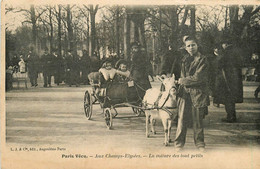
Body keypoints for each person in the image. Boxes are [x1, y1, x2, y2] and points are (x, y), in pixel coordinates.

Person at [174, 36, 210, 152]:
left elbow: (198, 78)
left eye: (193, 45)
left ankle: (200, 144)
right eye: (188, 46)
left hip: (198, 94)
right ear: (185, 48)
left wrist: (182, 81)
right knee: (181, 119)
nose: (191, 47)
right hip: (184, 93)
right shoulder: (184, 59)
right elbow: (183, 75)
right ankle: (179, 144)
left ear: (197, 45)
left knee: (197, 120)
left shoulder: (203, 59)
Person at [213, 39, 243, 123]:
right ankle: (231, 116)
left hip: (227, 80)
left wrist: (217, 55)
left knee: (228, 99)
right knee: (231, 99)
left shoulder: (226, 52)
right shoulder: (235, 51)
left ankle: (231, 117)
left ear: (225, 44)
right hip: (234, 80)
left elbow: (218, 64)